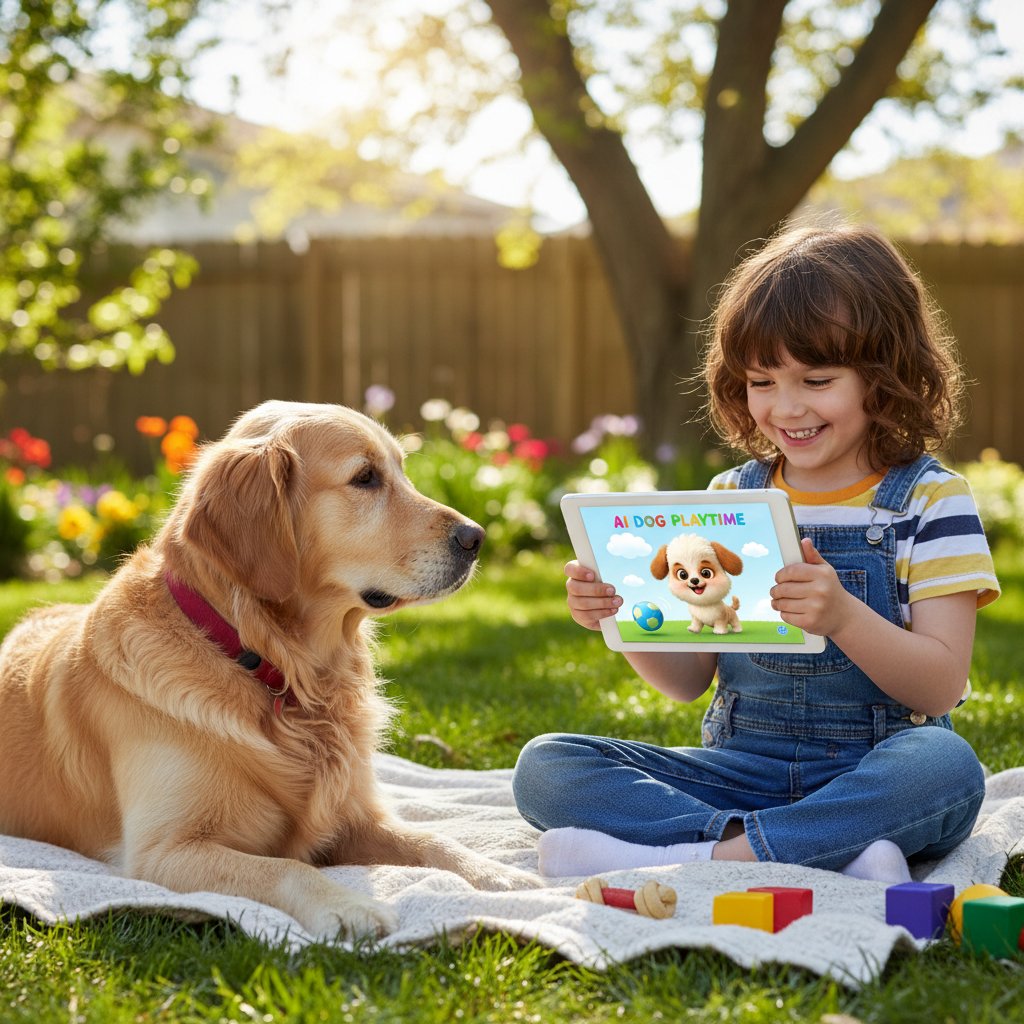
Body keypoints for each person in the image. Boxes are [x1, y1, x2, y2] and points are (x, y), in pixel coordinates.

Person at [512, 224, 1000, 883]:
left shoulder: (932, 501)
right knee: (548, 767)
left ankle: (702, 858)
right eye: (761, 381)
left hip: (873, 765)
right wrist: (619, 617)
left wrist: (843, 618)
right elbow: (687, 683)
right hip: (741, 771)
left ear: (884, 375)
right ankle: (827, 849)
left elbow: (941, 683)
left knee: (946, 768)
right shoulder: (728, 497)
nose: (786, 407)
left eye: (817, 379)